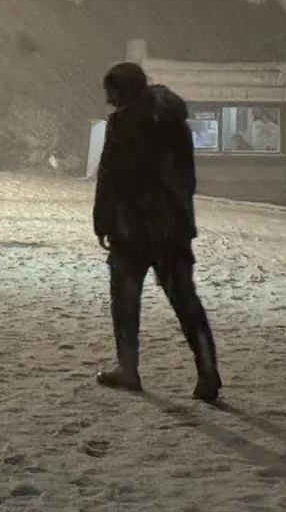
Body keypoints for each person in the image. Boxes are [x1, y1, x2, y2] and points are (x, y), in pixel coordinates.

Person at [93, 62, 222, 402]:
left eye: (111, 89)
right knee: (185, 300)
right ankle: (208, 371)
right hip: (173, 227)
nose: (108, 97)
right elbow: (186, 176)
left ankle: (128, 367)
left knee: (125, 300)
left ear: (122, 89)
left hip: (131, 228)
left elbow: (110, 175)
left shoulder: (122, 123)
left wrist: (103, 220)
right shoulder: (174, 122)